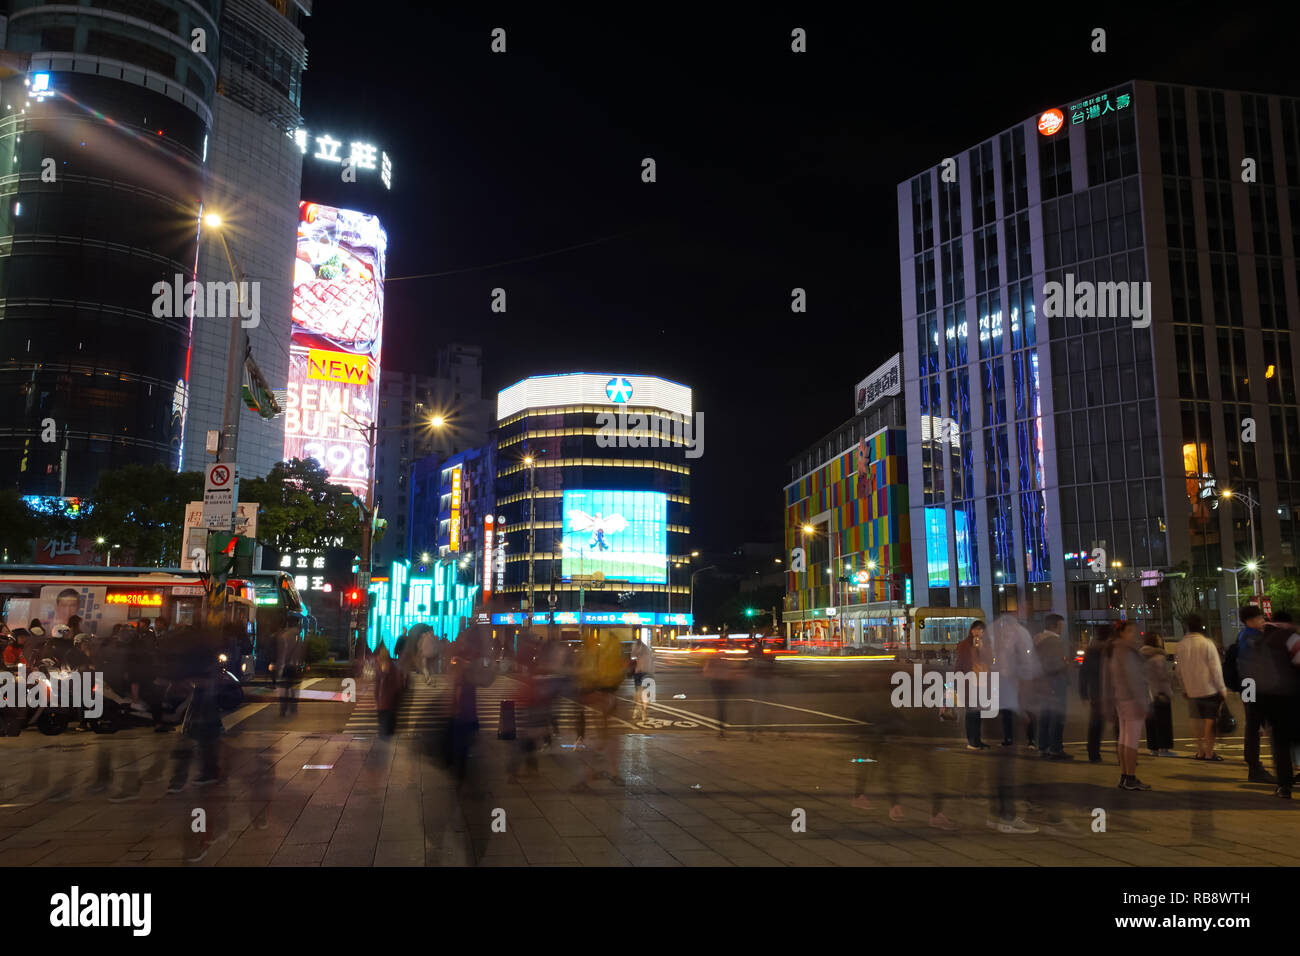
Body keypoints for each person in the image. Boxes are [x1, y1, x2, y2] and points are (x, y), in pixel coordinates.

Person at [1241, 609, 1300, 798]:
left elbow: (1249, 672)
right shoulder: (1291, 637)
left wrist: (1253, 704)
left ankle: (1284, 786)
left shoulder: (1260, 640)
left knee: (1280, 745)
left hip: (1269, 700)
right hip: (1293, 698)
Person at [1229, 605, 1273, 783]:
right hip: (1253, 684)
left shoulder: (1243, 635)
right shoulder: (1252, 637)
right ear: (1250, 621)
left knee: (1253, 725)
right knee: (1254, 726)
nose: (1262, 620)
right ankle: (1254, 767)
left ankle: (1254, 766)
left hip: (1247, 685)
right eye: (1259, 618)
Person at [1174, 613, 1227, 761]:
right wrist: (1222, 689)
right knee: (1210, 721)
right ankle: (1210, 753)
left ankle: (1200, 751)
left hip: (1192, 690)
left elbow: (1178, 670)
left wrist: (1184, 688)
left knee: (1196, 720)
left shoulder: (1181, 645)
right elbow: (1215, 669)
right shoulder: (1207, 643)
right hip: (1209, 689)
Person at [1109, 620, 1151, 790]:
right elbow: (1133, 678)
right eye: (1130, 631)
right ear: (1122, 633)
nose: (1134, 635)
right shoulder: (1127, 652)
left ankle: (1125, 776)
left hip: (1120, 698)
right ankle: (1131, 777)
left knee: (1124, 738)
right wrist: (1143, 702)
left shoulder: (1115, 650)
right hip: (1132, 699)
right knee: (1131, 740)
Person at [1033, 613, 1071, 759]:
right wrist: (1064, 665)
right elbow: (1054, 665)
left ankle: (1043, 746)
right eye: (1061, 626)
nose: (1062, 629)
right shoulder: (1054, 641)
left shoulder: (1037, 639)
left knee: (1045, 716)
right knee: (1057, 717)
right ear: (1054, 626)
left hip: (1042, 684)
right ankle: (1055, 748)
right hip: (1055, 684)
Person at [954, 621, 990, 750]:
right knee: (971, 713)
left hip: (982, 682)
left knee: (978, 713)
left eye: (981, 630)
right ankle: (971, 741)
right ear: (971, 630)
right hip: (969, 682)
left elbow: (990, 660)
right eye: (975, 629)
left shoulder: (985, 645)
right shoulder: (964, 645)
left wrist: (981, 648)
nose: (978, 632)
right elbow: (958, 665)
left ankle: (977, 740)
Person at [1080, 624, 1112, 763]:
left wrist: (1083, 693)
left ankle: (1093, 753)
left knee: (1095, 724)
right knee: (1120, 724)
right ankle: (1124, 754)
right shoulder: (1111, 650)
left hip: (1096, 691)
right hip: (1112, 691)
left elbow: (1084, 673)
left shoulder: (1091, 650)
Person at [1141, 631, 1176, 757]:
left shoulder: (1141, 656)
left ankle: (1153, 748)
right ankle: (1164, 748)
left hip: (1146, 693)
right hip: (1159, 692)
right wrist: (1169, 691)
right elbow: (1163, 677)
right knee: (1163, 721)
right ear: (1156, 641)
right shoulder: (1158, 656)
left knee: (1150, 721)